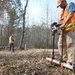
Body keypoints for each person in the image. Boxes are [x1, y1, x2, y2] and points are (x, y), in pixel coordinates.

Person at [57, 0, 75, 65]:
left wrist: (64, 24)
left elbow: (71, 14)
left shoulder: (70, 5)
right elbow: (61, 21)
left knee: (70, 44)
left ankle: (71, 61)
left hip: (71, 29)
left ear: (64, 1)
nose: (60, 6)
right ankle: (64, 59)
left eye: (60, 5)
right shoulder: (62, 11)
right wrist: (57, 26)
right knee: (60, 44)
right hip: (64, 30)